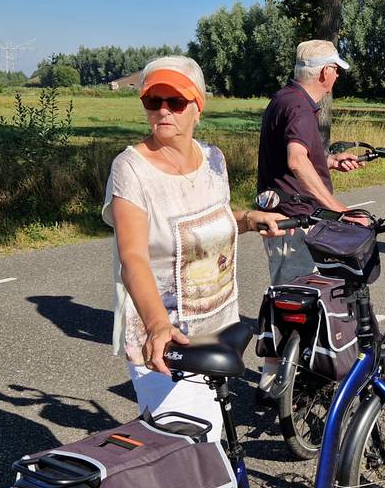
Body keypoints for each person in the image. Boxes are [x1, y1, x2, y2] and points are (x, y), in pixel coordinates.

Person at [102, 55, 288, 441]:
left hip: (218, 325)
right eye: (154, 101)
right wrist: (157, 326)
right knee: (181, 446)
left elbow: (212, 219)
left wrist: (248, 219)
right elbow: (131, 256)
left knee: (211, 437)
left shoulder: (213, 160)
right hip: (167, 338)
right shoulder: (131, 168)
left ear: (197, 108)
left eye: (175, 101)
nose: (163, 111)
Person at [253, 39, 364, 398]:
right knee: (295, 304)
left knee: (288, 299)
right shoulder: (300, 108)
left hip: (282, 214)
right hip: (293, 220)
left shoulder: (286, 99)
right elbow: (296, 161)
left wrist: (329, 161)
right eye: (336, 72)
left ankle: (274, 382)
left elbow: (301, 156)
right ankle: (278, 388)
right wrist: (337, 207)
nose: (337, 79)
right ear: (325, 73)